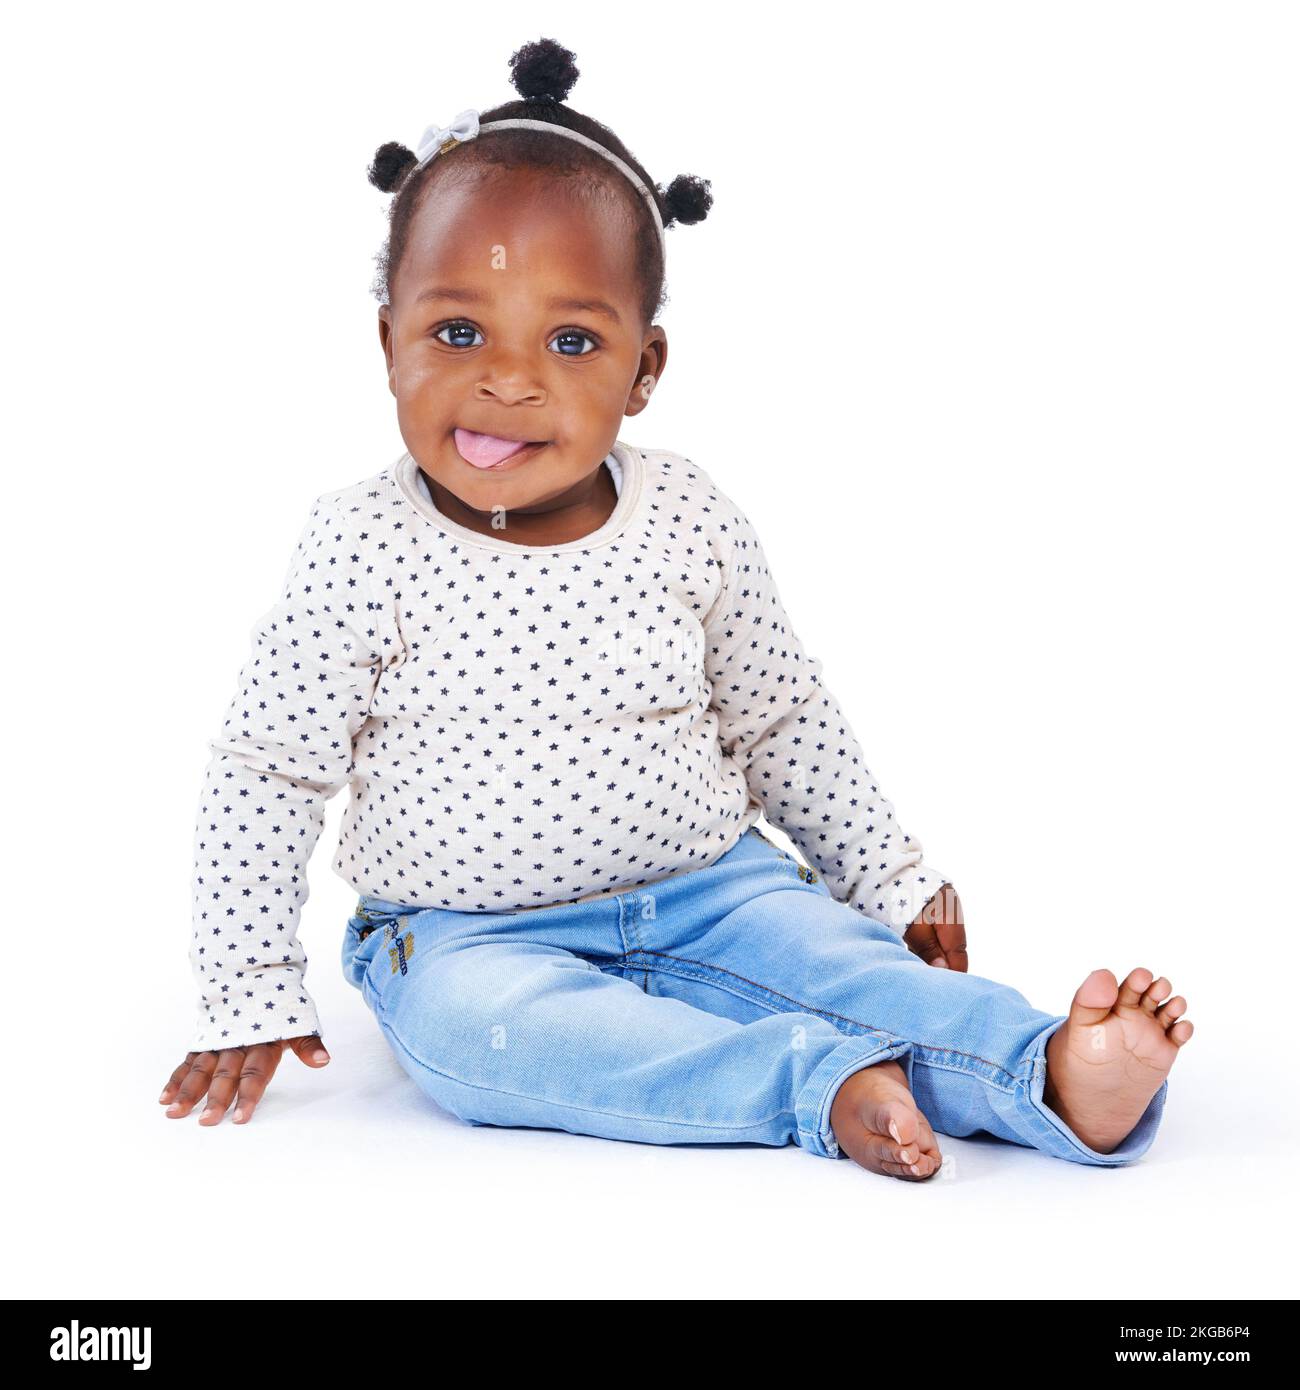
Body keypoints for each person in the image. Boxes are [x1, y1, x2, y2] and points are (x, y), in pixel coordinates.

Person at [160, 38, 1192, 1180]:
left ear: (643, 368)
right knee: (481, 1042)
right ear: (386, 343)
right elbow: (268, 769)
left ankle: (1044, 1067)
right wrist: (249, 981)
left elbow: (779, 719)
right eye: (457, 332)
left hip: (716, 893)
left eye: (570, 340)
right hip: (465, 938)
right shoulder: (361, 545)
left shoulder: (686, 516)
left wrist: (889, 877)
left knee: (852, 966)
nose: (508, 379)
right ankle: (823, 1085)